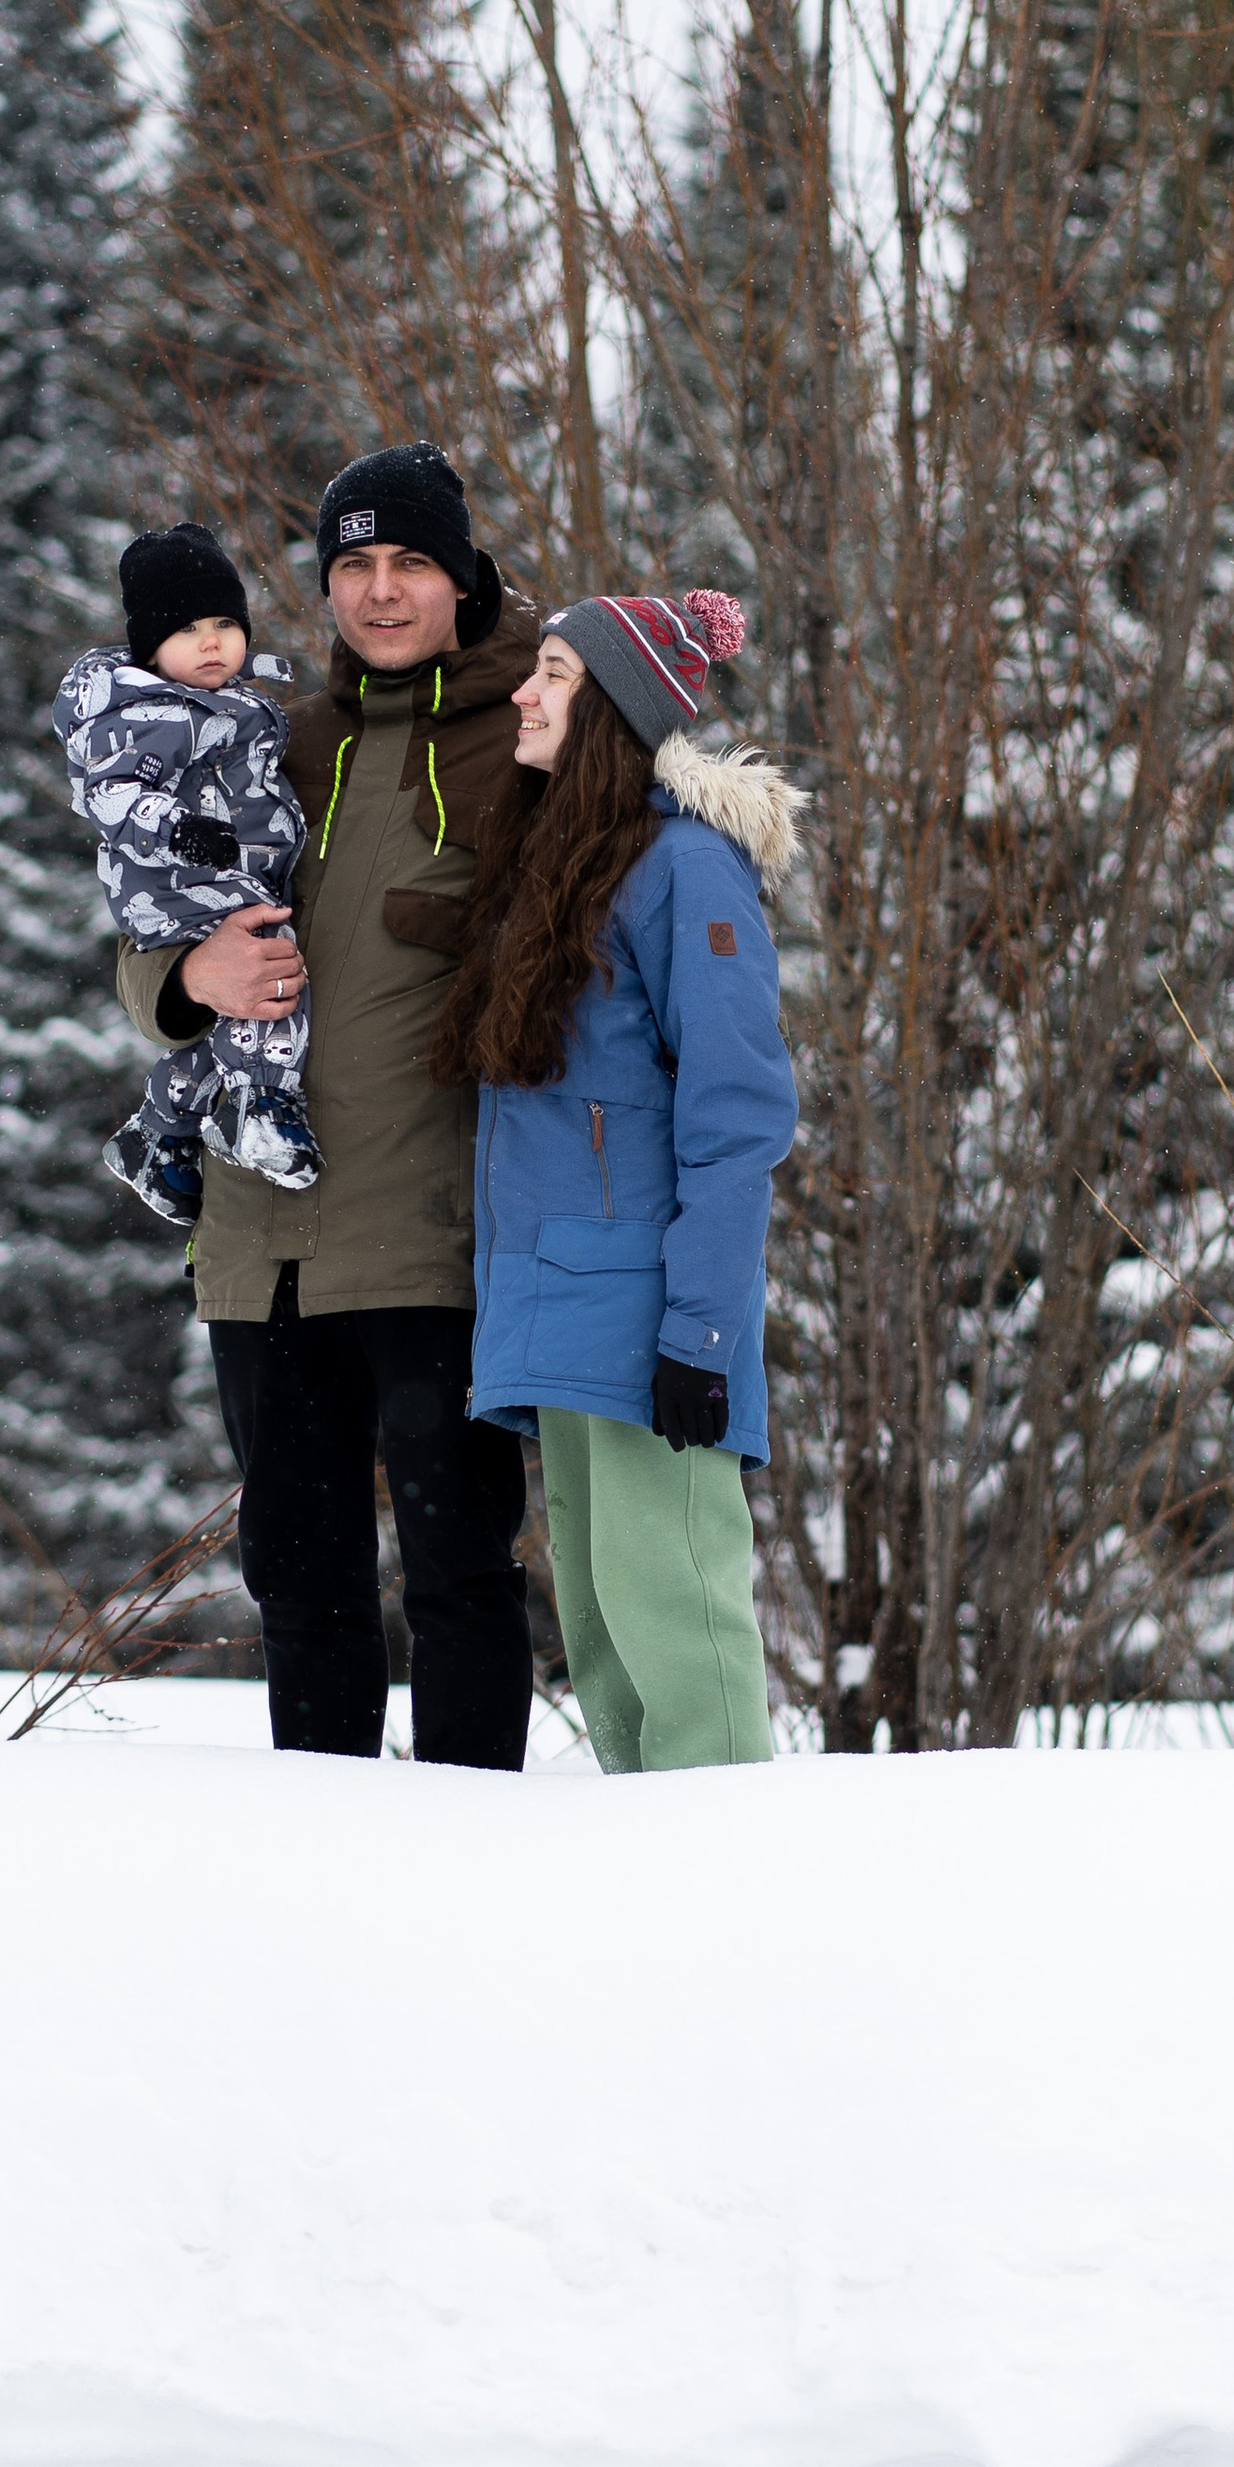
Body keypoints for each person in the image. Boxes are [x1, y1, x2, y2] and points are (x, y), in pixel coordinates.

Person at [115, 444, 539, 1770]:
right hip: (261, 1246)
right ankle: (318, 1884)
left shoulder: (530, 732)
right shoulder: (266, 736)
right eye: (354, 564)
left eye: (411, 560)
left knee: (462, 1579)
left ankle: (470, 1874)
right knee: (299, 1589)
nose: (382, 590)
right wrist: (191, 973)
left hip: (436, 1245)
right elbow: (145, 922)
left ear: (462, 577)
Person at [433, 588, 802, 1773]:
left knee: (681, 1631)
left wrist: (698, 1330)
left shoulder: (688, 869)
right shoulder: (562, 867)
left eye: (552, 674)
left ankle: (739, 1892)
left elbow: (737, 1117)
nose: (525, 693)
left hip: (654, 1323)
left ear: (613, 708)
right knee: (605, 1644)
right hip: (565, 1312)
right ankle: (649, 1909)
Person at [54, 521, 323, 1223]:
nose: (211, 642)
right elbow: (109, 794)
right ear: (150, 645)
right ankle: (261, 1106)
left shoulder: (235, 702)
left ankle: (159, 1133)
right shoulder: (146, 714)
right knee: (271, 970)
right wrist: (176, 829)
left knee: (225, 1021)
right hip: (172, 880)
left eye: (225, 623)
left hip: (217, 872)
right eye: (188, 629)